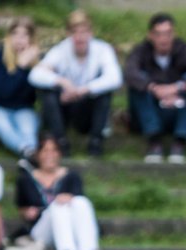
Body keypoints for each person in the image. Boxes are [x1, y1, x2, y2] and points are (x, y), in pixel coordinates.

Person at [28, 9, 122, 159]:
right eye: (75, 32)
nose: (80, 37)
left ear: (91, 33)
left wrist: (83, 90)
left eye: (84, 32)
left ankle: (96, 142)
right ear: (68, 34)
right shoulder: (60, 50)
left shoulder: (102, 49)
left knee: (104, 93)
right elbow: (35, 75)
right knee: (48, 93)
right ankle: (60, 142)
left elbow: (115, 78)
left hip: (87, 108)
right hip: (65, 107)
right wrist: (62, 82)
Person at [124, 12, 186, 164]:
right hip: (149, 110)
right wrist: (154, 88)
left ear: (174, 34)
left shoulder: (183, 49)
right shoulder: (141, 51)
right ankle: (154, 141)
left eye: (168, 34)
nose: (163, 39)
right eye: (158, 34)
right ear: (150, 35)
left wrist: (177, 88)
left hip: (176, 108)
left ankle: (180, 141)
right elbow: (130, 73)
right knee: (139, 83)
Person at [14, 135, 98, 250]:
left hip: (70, 225)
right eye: (45, 150)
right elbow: (22, 208)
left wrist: (68, 198)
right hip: (42, 230)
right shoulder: (26, 179)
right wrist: (28, 212)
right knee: (57, 207)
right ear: (38, 154)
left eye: (54, 150)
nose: (50, 155)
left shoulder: (72, 176)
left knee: (80, 202)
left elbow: (79, 203)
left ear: (59, 154)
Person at [0, 17, 41, 160]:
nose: (19, 39)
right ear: (9, 36)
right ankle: (28, 152)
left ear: (31, 39)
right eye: (15, 34)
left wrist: (35, 66)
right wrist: (20, 67)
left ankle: (30, 154)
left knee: (28, 130)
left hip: (23, 109)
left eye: (25, 35)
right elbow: (4, 91)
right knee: (4, 126)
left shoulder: (37, 61)